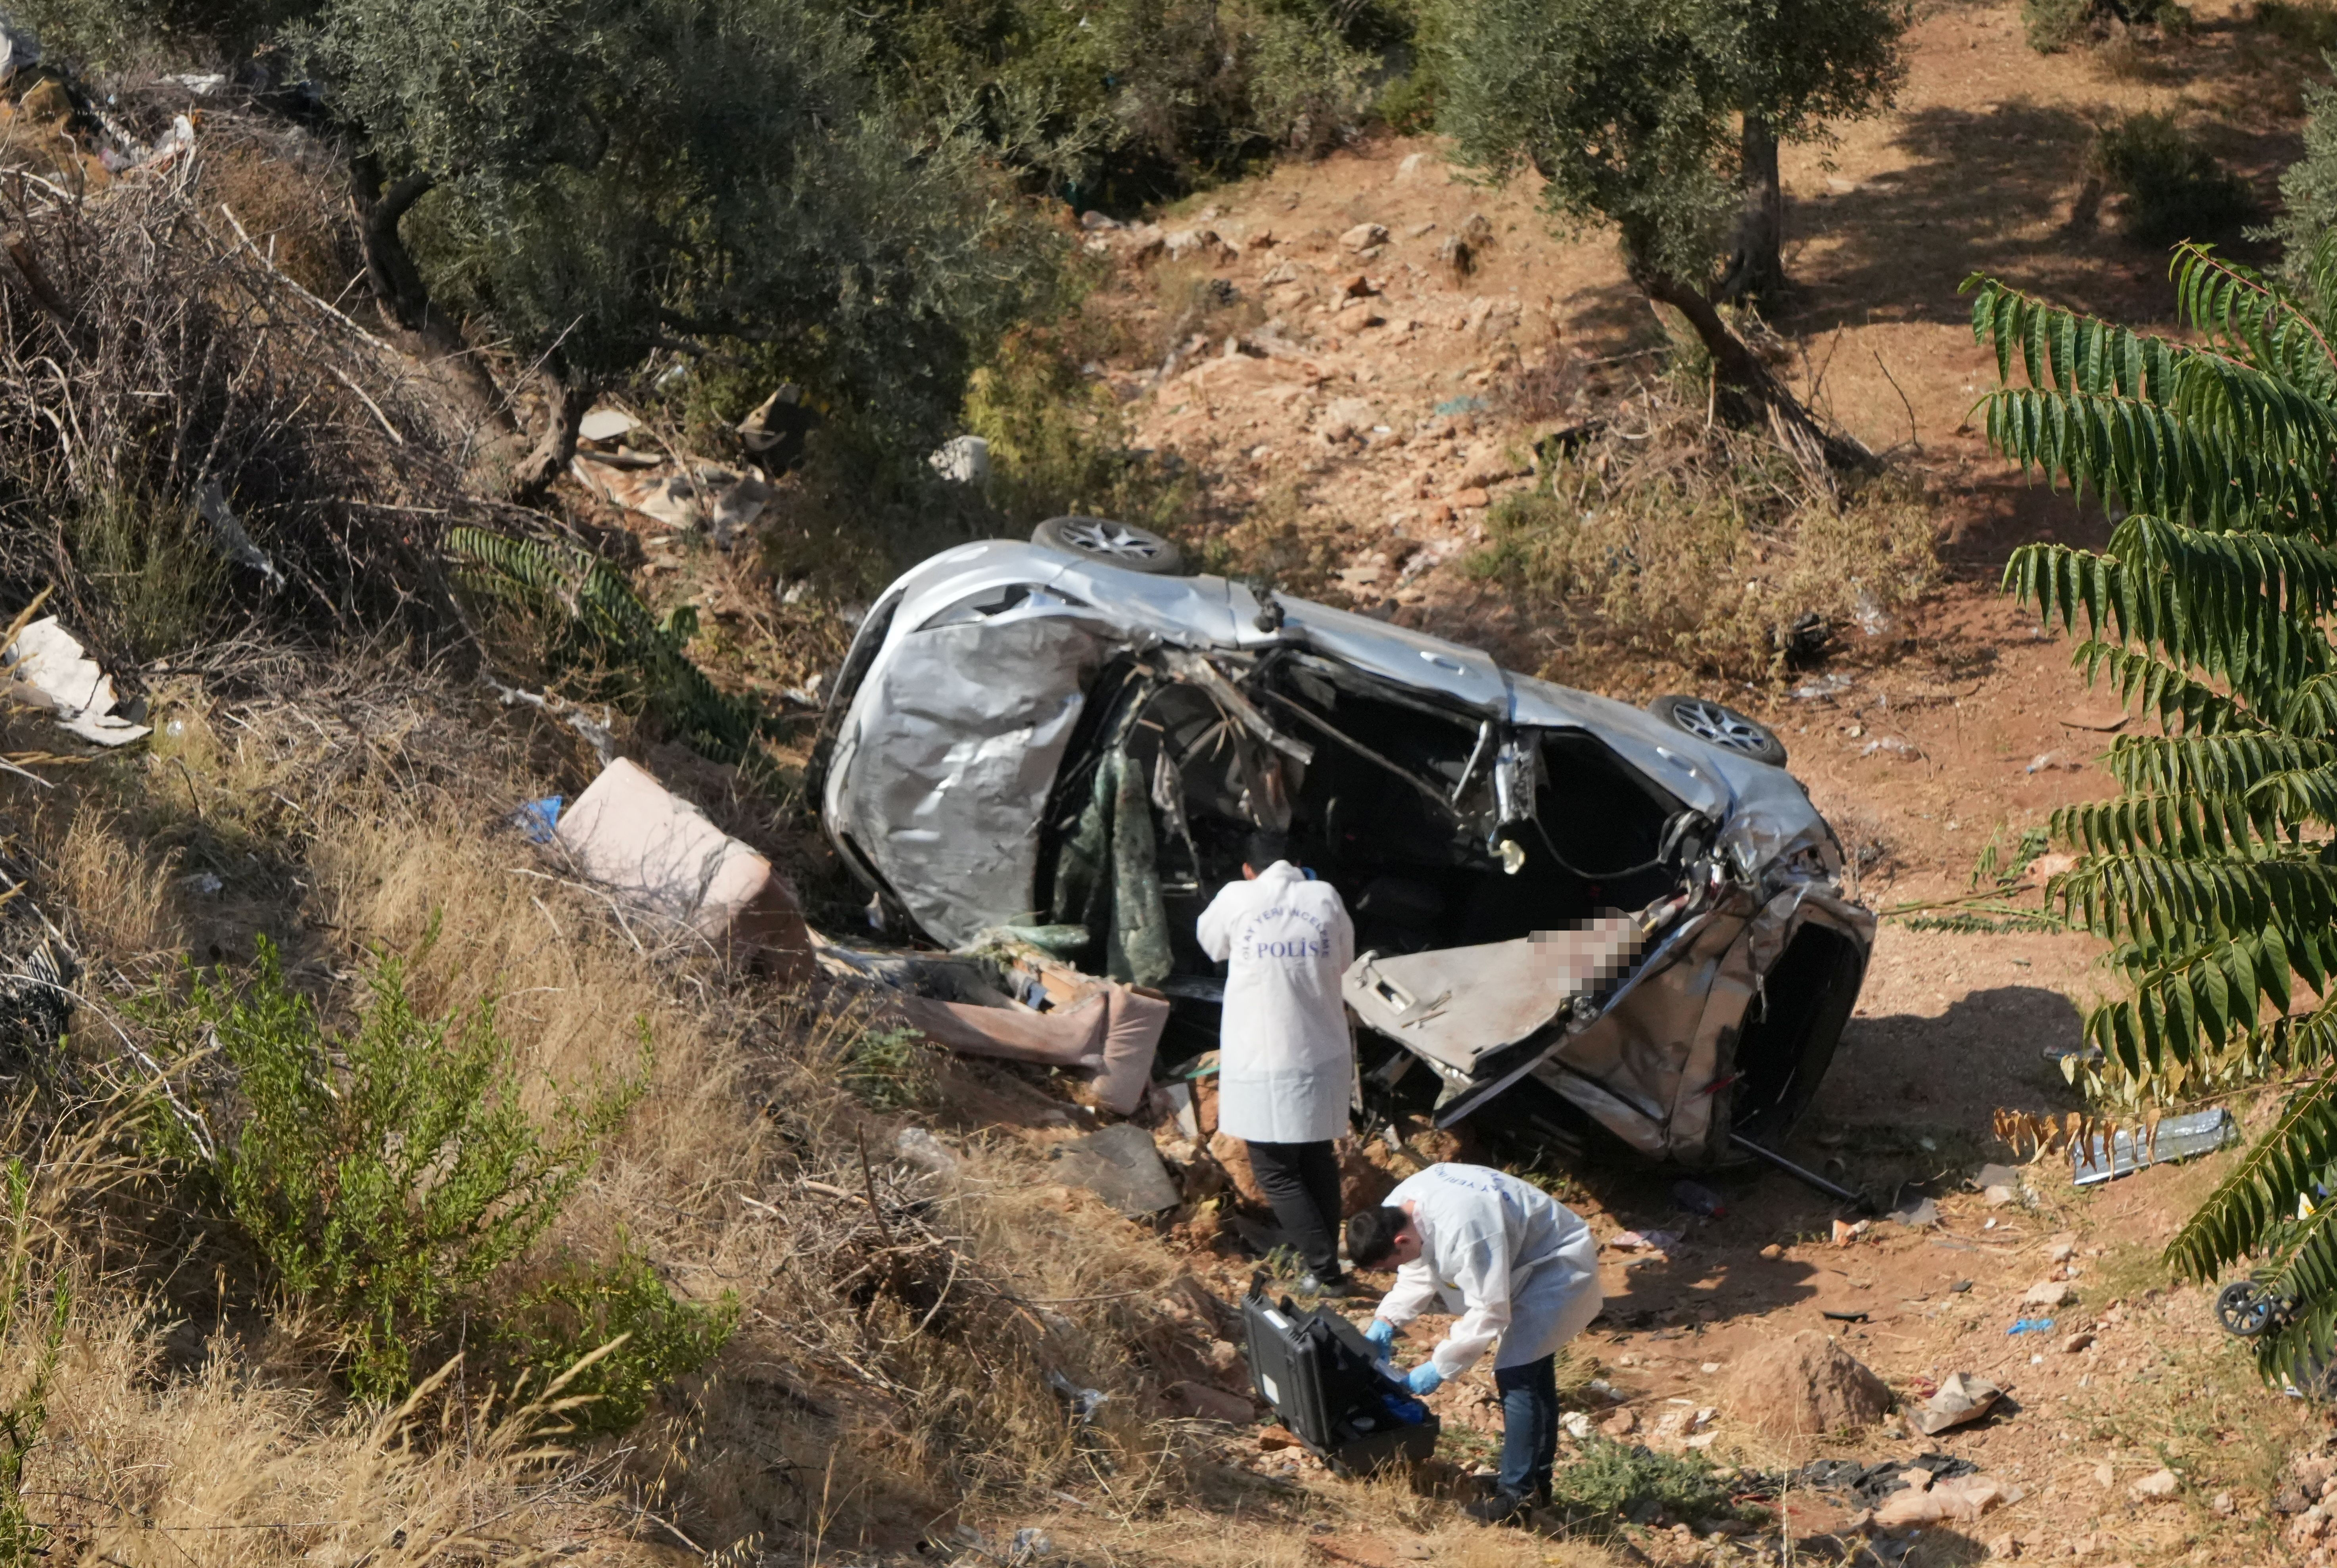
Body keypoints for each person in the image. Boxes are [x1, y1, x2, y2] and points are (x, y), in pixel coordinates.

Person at [1345, 1163, 1602, 1525]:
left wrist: (1440, 1366)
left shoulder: (1467, 1228)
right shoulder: (1399, 1208)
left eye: (1389, 1265)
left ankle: (1516, 1499)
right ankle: (1534, 1484)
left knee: (1518, 1375)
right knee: (1533, 1374)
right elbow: (1418, 1270)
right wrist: (1386, 1321)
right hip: (1521, 1257)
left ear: (1400, 1241)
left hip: (1554, 1268)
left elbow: (1489, 1310)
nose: (1392, 1271)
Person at [1197, 829, 1358, 1294]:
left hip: (1265, 1056)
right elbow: (1344, 959)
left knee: (1276, 1170)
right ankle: (1324, 1264)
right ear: (1297, 864)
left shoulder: (1237, 896)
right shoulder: (1325, 896)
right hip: (1321, 1051)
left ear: (1249, 869)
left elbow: (1211, 943)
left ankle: (1326, 1272)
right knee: (1316, 1157)